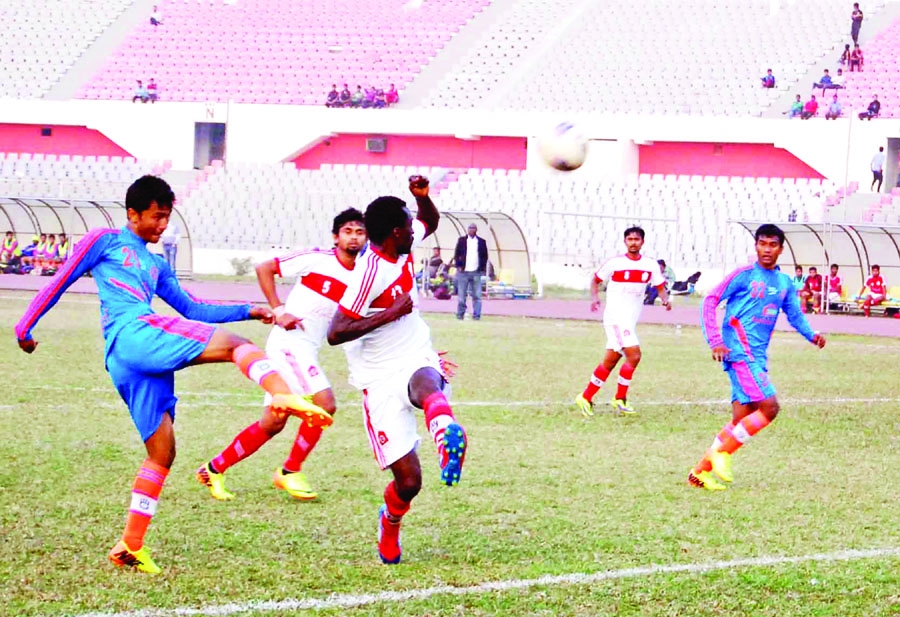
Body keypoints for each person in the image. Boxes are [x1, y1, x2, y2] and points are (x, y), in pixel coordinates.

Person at [13, 175, 331, 575]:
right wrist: (24, 327)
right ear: (133, 214)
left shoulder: (157, 264)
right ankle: (282, 394)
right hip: (133, 334)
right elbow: (61, 279)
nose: (163, 225)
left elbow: (194, 309)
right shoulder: (104, 241)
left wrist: (251, 310)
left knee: (162, 453)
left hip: (126, 362)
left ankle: (130, 545)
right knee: (235, 345)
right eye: (157, 216)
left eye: (167, 217)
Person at [327, 176, 468, 565]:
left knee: (427, 384)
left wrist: (422, 198)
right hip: (377, 378)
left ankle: (445, 435)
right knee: (409, 483)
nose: (413, 230)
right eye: (408, 225)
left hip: (415, 354)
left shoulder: (402, 245)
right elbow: (336, 332)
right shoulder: (368, 274)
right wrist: (389, 314)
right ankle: (389, 523)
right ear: (394, 233)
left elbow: (431, 221)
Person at [197, 209, 367, 502]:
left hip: (306, 348)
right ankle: (290, 471)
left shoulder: (363, 275)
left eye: (360, 232)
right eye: (348, 231)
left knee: (273, 422)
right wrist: (279, 310)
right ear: (335, 237)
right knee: (325, 404)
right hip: (290, 343)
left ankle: (213, 469)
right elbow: (265, 267)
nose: (354, 237)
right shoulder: (318, 259)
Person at [688, 224, 826, 491]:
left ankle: (699, 473)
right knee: (770, 407)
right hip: (739, 353)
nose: (767, 249)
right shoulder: (744, 275)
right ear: (756, 246)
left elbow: (795, 315)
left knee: (742, 417)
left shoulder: (784, 283)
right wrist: (715, 340)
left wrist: (812, 335)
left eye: (773, 245)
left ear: (781, 249)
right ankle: (722, 453)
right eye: (762, 243)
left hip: (757, 355)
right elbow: (710, 300)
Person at [575, 226, 672, 418]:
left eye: (637, 239)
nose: (633, 242)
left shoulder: (650, 265)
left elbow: (660, 286)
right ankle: (620, 398)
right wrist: (595, 298)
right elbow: (595, 280)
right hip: (616, 318)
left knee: (610, 361)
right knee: (634, 355)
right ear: (625, 241)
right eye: (630, 239)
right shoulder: (615, 263)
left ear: (642, 242)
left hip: (629, 320)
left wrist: (665, 299)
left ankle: (585, 397)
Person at [453, 224, 488, 320]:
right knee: (461, 295)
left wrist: (482, 268)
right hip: (463, 272)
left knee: (477, 295)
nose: (471, 230)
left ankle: (477, 315)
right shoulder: (462, 240)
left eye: (473, 228)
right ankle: (460, 314)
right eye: (470, 228)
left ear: (476, 230)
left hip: (476, 272)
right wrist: (458, 266)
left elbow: (484, 256)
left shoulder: (481, 242)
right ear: (467, 229)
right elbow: (456, 254)